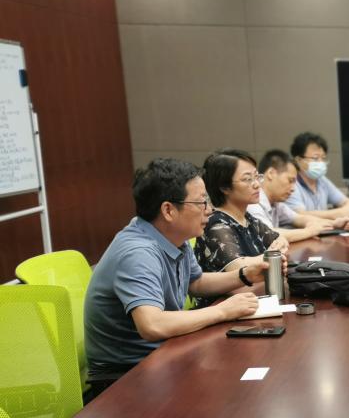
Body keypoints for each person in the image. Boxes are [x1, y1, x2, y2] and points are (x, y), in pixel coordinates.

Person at [84, 158, 263, 389]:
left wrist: (245, 275)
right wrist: (222, 311)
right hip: (125, 376)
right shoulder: (138, 252)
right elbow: (152, 325)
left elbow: (196, 282)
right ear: (168, 210)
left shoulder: (171, 236)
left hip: (165, 353)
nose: (209, 210)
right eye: (201, 202)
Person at [195, 149, 288, 305]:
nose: (257, 184)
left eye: (257, 177)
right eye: (247, 179)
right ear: (224, 187)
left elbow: (280, 240)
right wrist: (273, 256)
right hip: (222, 308)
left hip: (253, 299)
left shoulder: (247, 219)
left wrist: (278, 249)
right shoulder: (216, 224)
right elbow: (237, 267)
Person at [249, 149, 349, 241]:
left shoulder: (276, 203)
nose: (293, 188)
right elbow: (268, 234)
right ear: (271, 173)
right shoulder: (253, 202)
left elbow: (299, 218)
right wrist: (309, 232)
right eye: (290, 181)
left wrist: (334, 224)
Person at [286, 131, 349, 220]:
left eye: (323, 158)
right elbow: (300, 215)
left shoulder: (321, 180)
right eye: (315, 158)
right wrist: (340, 213)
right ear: (298, 160)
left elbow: (346, 202)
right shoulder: (291, 184)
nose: (320, 162)